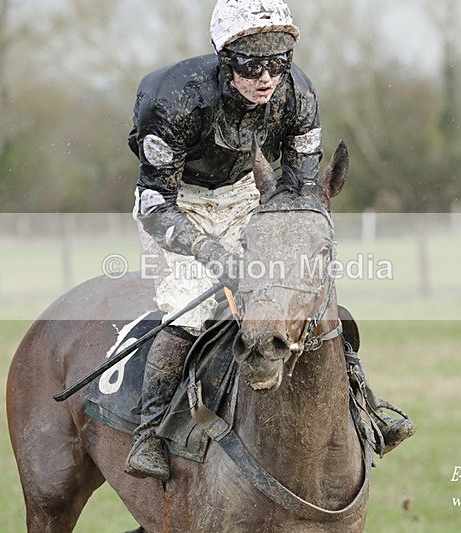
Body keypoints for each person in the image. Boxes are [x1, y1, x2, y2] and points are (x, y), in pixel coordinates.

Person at [125, 0, 413, 482]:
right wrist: (214, 253)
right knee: (189, 307)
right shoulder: (171, 99)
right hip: (178, 203)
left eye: (278, 64)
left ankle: (364, 402)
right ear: (225, 60)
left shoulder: (299, 95)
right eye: (253, 65)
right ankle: (149, 432)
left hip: (248, 196)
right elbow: (156, 204)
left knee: (297, 297)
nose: (267, 78)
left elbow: (299, 189)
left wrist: (288, 254)